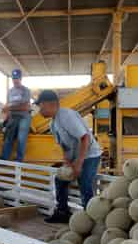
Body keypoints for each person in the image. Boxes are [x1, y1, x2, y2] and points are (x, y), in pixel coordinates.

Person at [35, 90, 102, 223]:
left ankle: (90, 220)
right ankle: (62, 212)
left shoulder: (66, 116)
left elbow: (85, 138)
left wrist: (79, 162)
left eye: (41, 106)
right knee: (60, 179)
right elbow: (64, 146)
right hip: (75, 157)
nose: (39, 110)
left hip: (89, 154)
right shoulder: (53, 124)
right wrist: (67, 162)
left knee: (84, 182)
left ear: (52, 104)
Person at [0, 69, 31, 162]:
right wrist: (6, 118)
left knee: (21, 139)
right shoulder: (10, 91)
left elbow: (25, 107)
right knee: (8, 138)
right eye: (13, 78)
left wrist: (10, 109)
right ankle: (4, 158)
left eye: (17, 78)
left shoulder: (25, 90)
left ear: (21, 78)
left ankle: (19, 159)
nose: (15, 80)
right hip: (13, 117)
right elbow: (8, 104)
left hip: (24, 117)